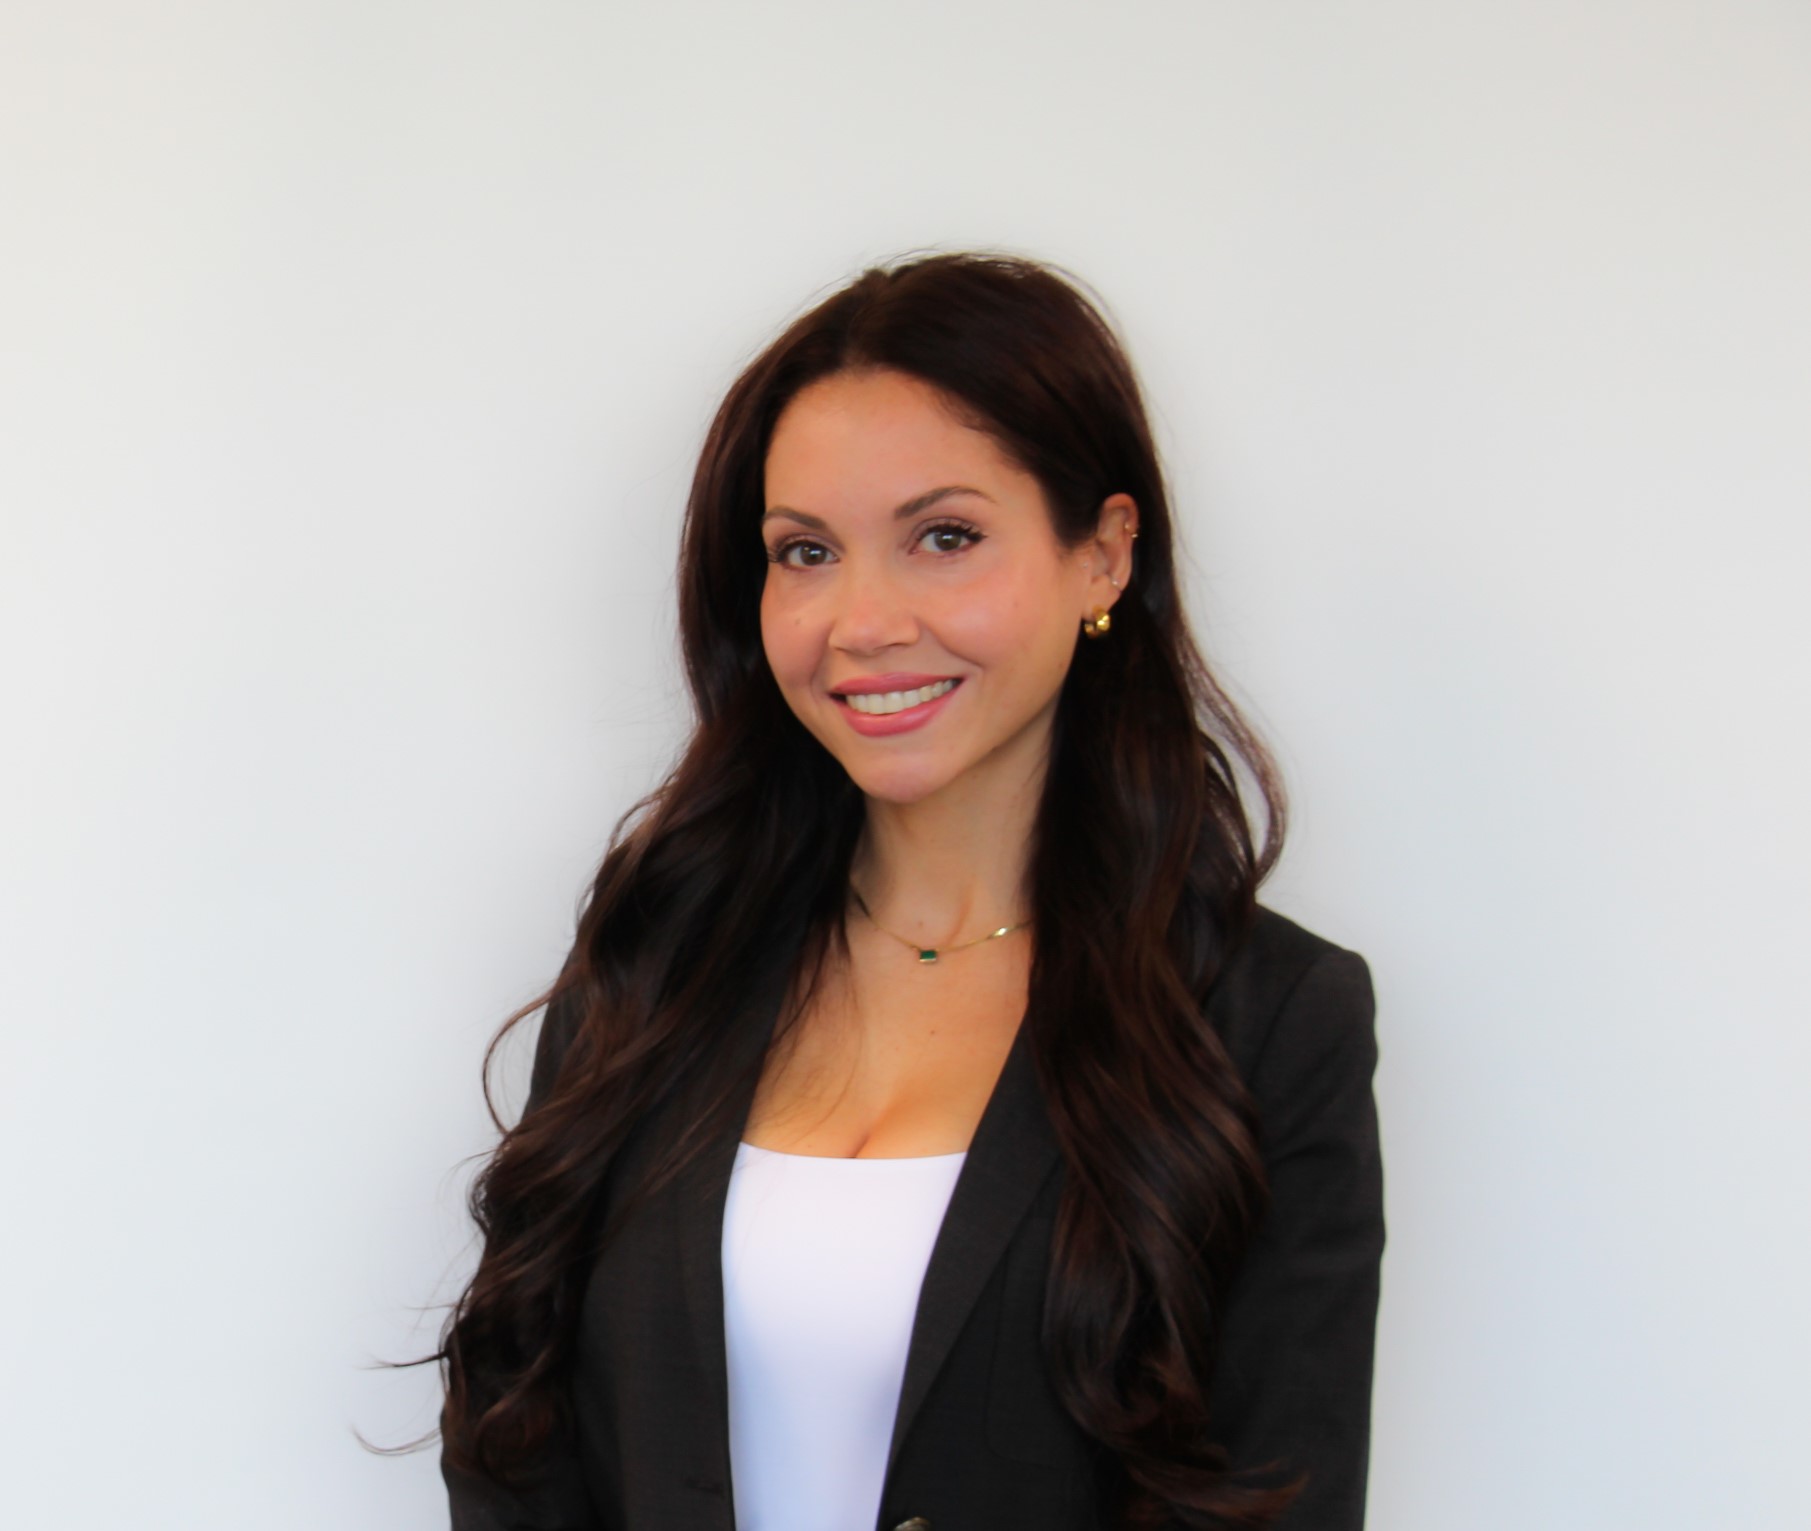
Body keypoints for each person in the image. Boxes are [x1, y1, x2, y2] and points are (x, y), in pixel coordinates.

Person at [435, 252, 1384, 1531]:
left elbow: (1275, 1497)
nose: (861, 621)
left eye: (944, 537)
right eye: (805, 551)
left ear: (1104, 556)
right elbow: (512, 1434)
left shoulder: (1268, 1021)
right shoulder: (657, 965)